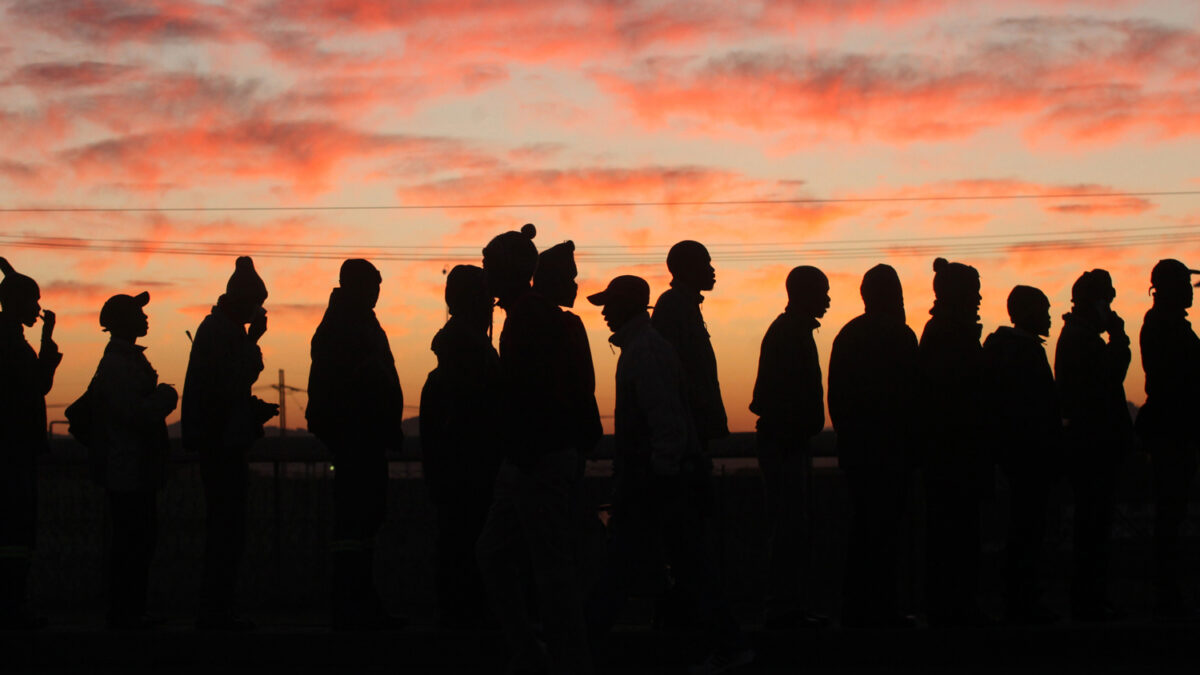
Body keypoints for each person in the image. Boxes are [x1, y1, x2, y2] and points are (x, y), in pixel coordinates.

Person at [586, 275, 753, 675]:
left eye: (610, 304)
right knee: (681, 565)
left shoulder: (643, 353)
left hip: (657, 483)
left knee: (625, 567)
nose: (604, 312)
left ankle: (577, 649)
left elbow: (666, 425)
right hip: (661, 480)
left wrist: (655, 479)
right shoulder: (646, 348)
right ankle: (729, 645)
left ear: (628, 305)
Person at [473, 224, 592, 675]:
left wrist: (520, 451)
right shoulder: (533, 314)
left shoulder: (527, 318)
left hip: (534, 460)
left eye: (488, 267)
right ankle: (536, 651)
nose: (484, 276)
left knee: (547, 569)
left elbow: (529, 394)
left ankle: (561, 659)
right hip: (533, 458)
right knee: (511, 557)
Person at [306, 259, 404, 630]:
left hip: (366, 438)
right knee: (355, 526)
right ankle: (352, 605)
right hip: (356, 440)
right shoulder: (343, 327)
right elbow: (344, 388)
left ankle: (360, 603)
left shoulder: (356, 321)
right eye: (371, 285)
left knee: (363, 524)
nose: (377, 292)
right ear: (354, 286)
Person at [182, 256, 279, 630]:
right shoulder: (222, 332)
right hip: (220, 445)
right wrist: (254, 341)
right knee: (226, 528)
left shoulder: (219, 329)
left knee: (228, 528)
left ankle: (219, 608)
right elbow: (231, 382)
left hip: (222, 441)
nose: (261, 311)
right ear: (244, 300)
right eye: (258, 303)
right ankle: (216, 611)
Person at [828, 264, 919, 629]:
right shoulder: (900, 334)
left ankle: (856, 607)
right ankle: (883, 608)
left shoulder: (848, 335)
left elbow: (836, 399)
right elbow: (914, 396)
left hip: (857, 452)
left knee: (863, 530)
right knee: (886, 533)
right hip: (892, 452)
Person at [88, 291, 177, 629]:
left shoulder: (121, 361)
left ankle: (130, 610)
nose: (146, 318)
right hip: (128, 469)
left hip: (131, 468)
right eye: (138, 313)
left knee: (136, 542)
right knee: (133, 543)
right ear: (123, 322)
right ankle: (127, 613)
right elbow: (135, 416)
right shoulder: (119, 365)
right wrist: (166, 397)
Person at [419, 264, 502, 629]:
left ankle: (460, 614)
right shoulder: (468, 356)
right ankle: (463, 616)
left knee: (459, 541)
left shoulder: (460, 351)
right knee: (465, 542)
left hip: (461, 471)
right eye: (485, 299)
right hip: (469, 471)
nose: (491, 307)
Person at [749, 266, 831, 629]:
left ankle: (788, 606)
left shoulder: (791, 331)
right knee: (788, 528)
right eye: (823, 291)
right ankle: (783, 609)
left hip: (788, 442)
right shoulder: (789, 333)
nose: (828, 299)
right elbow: (770, 397)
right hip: (785, 444)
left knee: (792, 527)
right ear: (803, 293)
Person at [1055, 269, 1133, 622]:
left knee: (1093, 527)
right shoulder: (1082, 339)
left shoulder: (1078, 336)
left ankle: (1090, 598)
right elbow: (1109, 377)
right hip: (1092, 448)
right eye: (1107, 301)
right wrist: (1119, 339)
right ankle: (1088, 601)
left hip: (1090, 446)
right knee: (1092, 528)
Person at [983, 286, 1061, 624]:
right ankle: (1023, 598)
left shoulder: (1007, 349)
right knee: (1027, 531)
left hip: (1018, 457)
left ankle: (1021, 597)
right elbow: (1035, 409)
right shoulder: (1025, 352)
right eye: (1043, 309)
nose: (1049, 316)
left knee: (1023, 530)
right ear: (1027, 312)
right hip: (1029, 458)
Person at [918, 257, 989, 627]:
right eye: (973, 289)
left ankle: (953, 604)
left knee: (956, 533)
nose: (979, 296)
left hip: (955, 454)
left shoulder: (948, 331)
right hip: (953, 456)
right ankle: (952, 606)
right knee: (954, 535)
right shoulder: (949, 333)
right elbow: (955, 396)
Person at [1134, 259, 1200, 620]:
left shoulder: (1164, 322)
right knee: (1170, 514)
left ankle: (1168, 590)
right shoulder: (1164, 325)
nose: (1191, 290)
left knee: (1171, 513)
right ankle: (1167, 592)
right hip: (1173, 431)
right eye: (1185, 284)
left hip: (1173, 429)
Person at [0, 258, 60, 630]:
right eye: (33, 301)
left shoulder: (9, 337)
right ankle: (11, 606)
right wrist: (48, 341)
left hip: (14, 448)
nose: (38, 308)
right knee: (13, 530)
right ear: (17, 302)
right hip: (11, 450)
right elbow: (38, 384)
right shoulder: (8, 341)